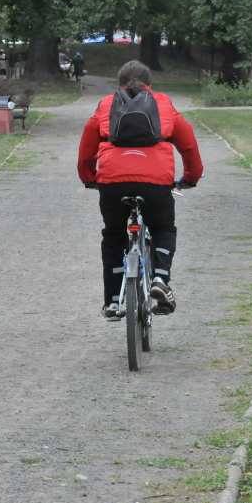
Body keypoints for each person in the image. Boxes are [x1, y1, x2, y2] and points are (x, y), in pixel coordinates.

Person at [77, 60, 204, 320]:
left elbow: (86, 148)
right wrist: (191, 177)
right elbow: (188, 145)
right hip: (155, 181)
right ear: (150, 84)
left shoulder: (105, 105)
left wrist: (89, 178)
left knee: (113, 236)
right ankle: (160, 279)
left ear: (119, 83)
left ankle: (112, 301)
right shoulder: (164, 103)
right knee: (163, 228)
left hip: (112, 182)